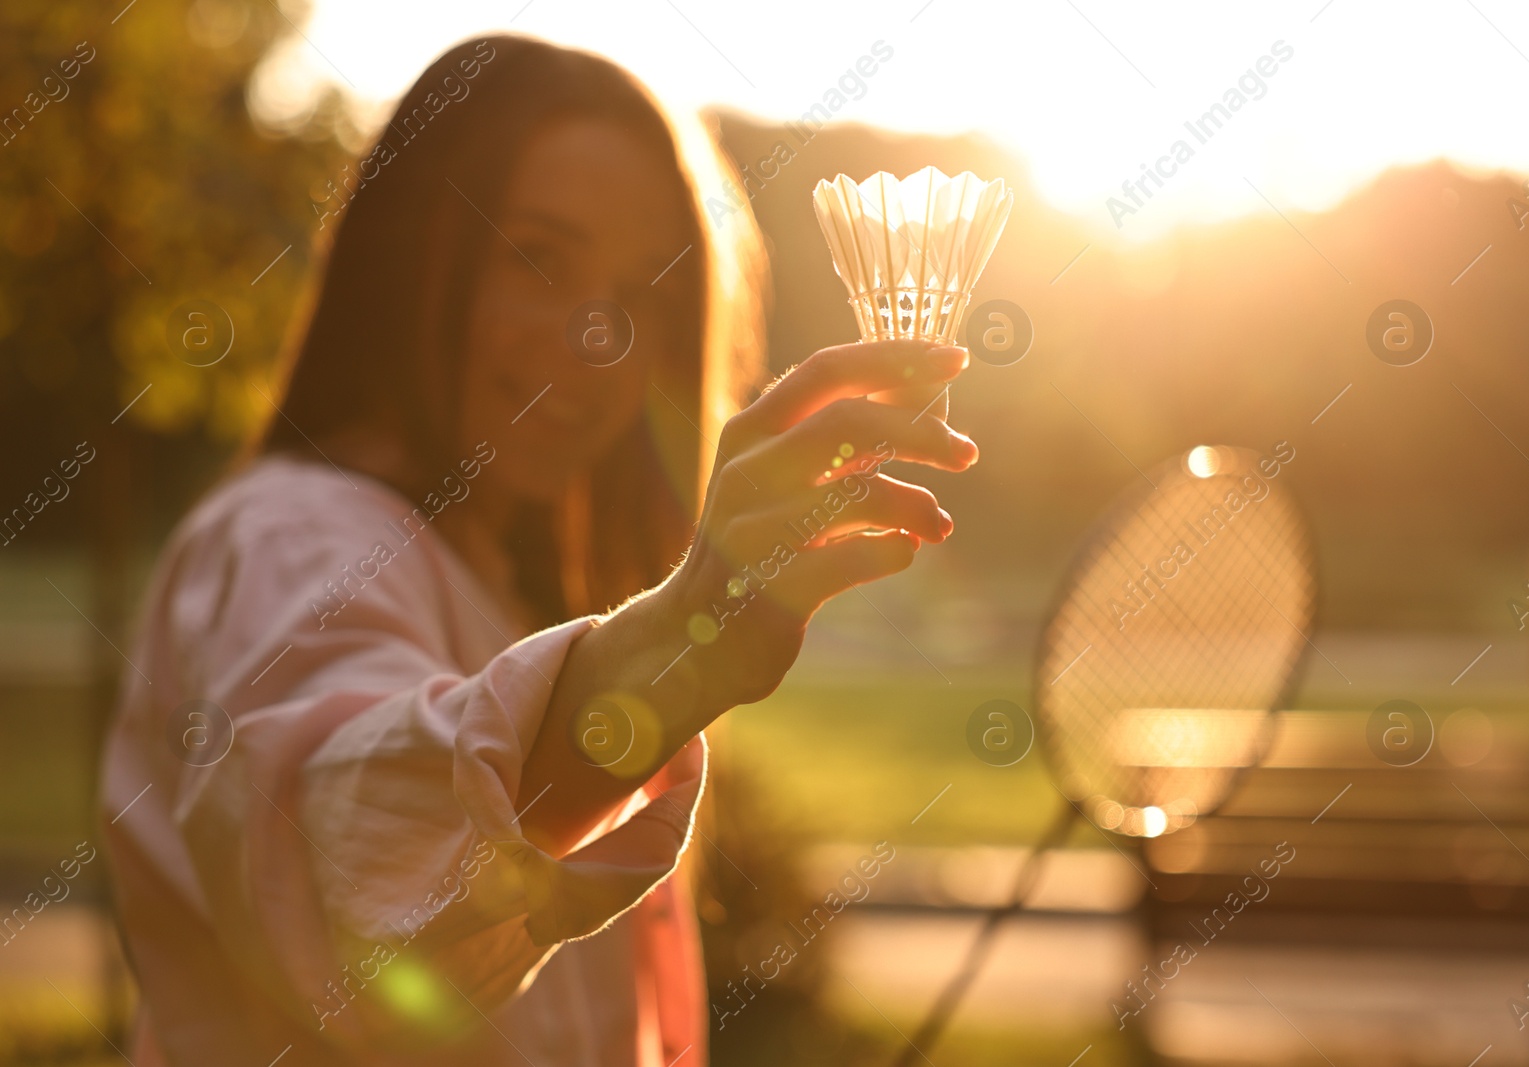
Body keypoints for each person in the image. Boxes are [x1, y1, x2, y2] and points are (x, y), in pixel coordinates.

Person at [99, 34, 977, 1067]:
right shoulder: (290, 538)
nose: (598, 336)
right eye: (537, 258)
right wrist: (678, 649)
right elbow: (335, 831)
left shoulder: (506, 580)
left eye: (644, 294)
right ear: (415, 250)